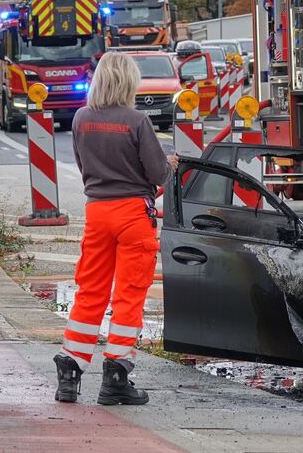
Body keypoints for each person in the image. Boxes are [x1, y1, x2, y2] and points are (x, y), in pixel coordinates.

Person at [53, 52, 178, 405]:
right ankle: (116, 376)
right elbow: (157, 175)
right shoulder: (136, 120)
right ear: (128, 83)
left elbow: (83, 164)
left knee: (90, 290)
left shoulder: (80, 118)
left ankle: (70, 371)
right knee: (128, 295)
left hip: (97, 213)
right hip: (132, 216)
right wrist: (169, 164)